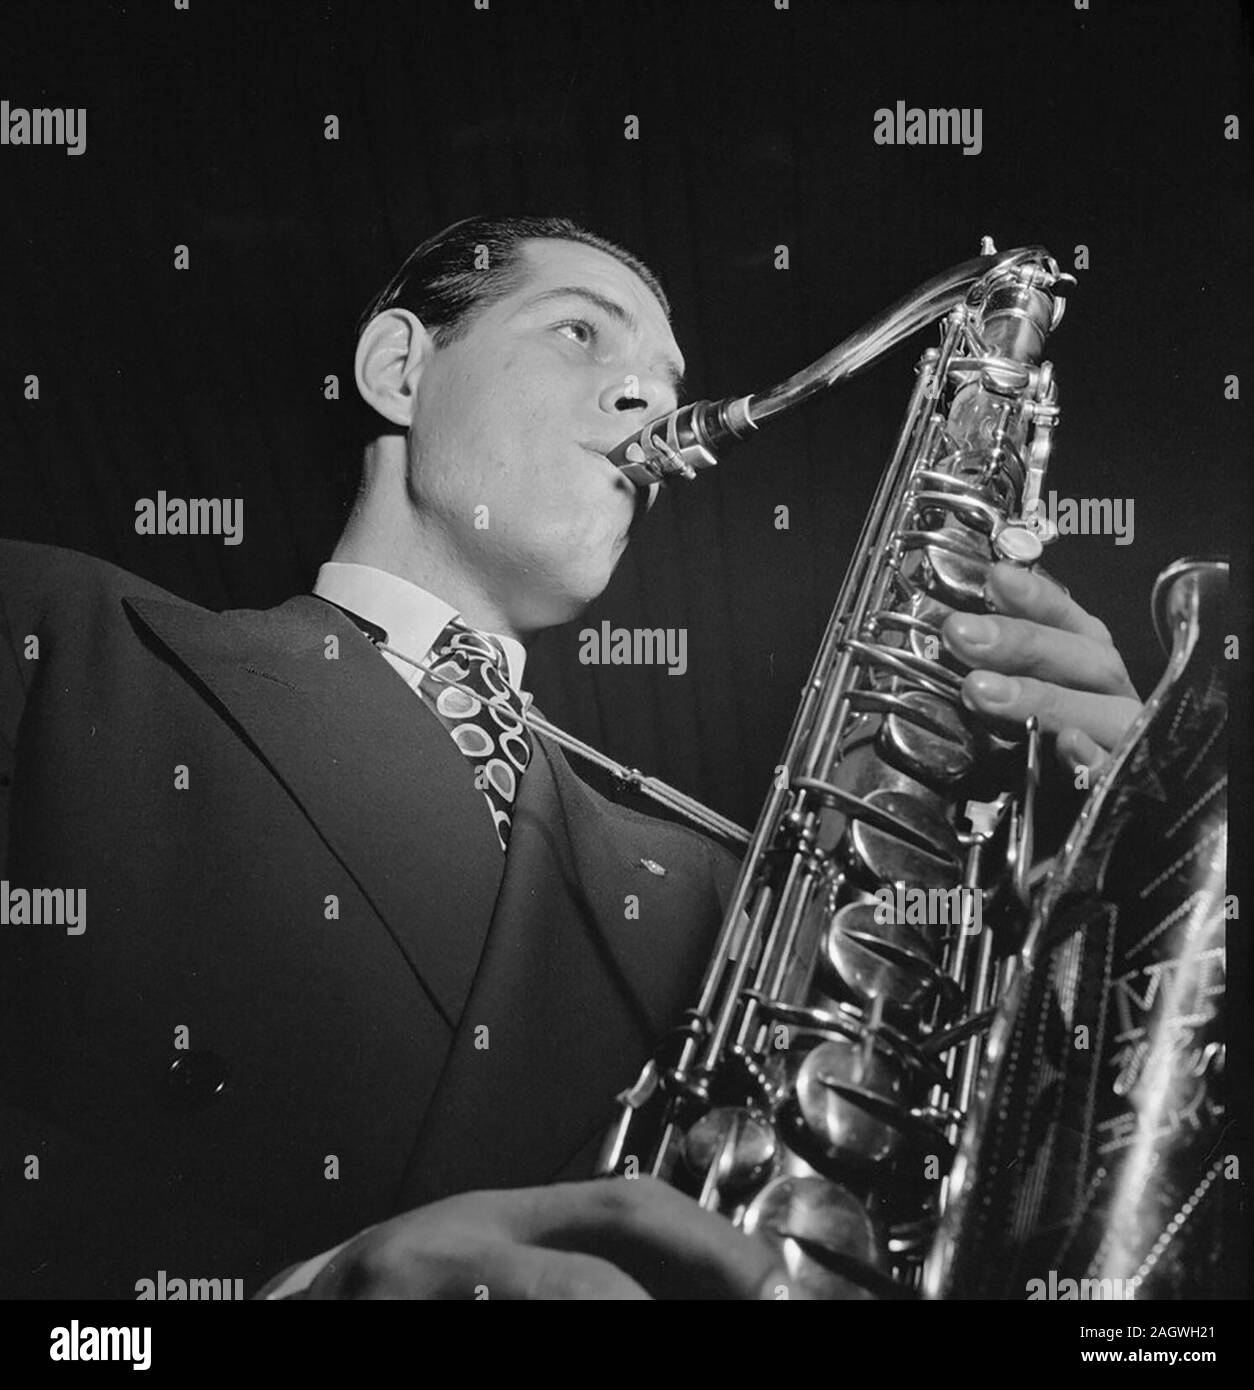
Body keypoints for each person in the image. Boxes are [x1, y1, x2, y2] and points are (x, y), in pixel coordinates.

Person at [0, 216, 1141, 1300]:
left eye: (670, 372)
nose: (653, 396)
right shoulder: (49, 634)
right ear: (399, 367)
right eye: (581, 331)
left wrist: (1089, 896)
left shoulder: (737, 892)